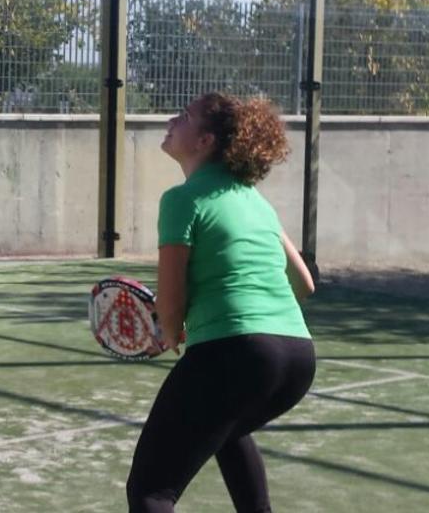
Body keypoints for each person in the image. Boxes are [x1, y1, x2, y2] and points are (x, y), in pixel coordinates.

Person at [126, 93, 317, 513]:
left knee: (151, 492)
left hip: (236, 353)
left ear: (205, 140)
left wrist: (170, 330)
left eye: (186, 116)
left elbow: (172, 307)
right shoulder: (256, 201)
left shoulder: (182, 200)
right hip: (298, 359)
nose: (173, 119)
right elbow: (304, 284)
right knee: (226, 431)